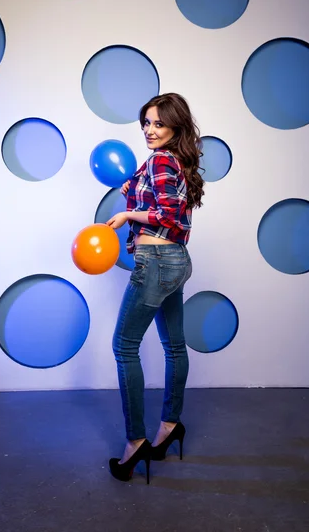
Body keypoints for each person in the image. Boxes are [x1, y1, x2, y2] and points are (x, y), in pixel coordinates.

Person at [105, 92, 205, 484]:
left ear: (175, 127)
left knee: (124, 346)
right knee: (174, 345)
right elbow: (166, 207)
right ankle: (170, 426)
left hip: (157, 262)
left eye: (158, 123)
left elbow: (164, 214)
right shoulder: (174, 161)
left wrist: (128, 212)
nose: (149, 130)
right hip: (177, 261)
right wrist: (134, 185)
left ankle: (135, 444)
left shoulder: (163, 160)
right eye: (146, 122)